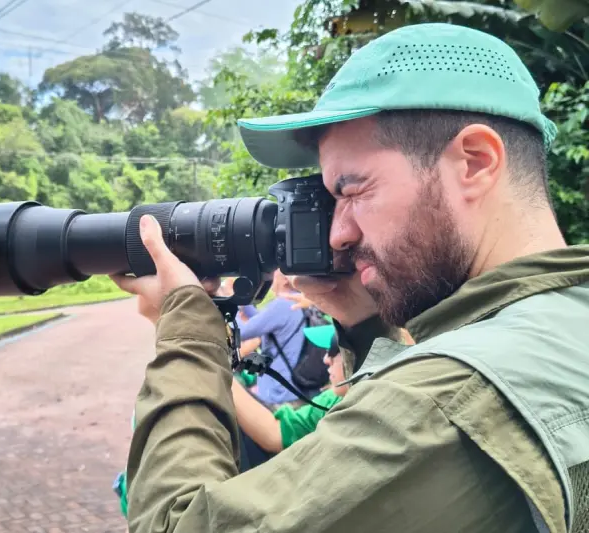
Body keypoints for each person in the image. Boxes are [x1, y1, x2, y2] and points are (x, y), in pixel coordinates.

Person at [110, 23, 589, 533]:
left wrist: (186, 328)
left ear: (474, 162)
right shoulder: (564, 321)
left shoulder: (445, 400)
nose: (339, 234)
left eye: (354, 191)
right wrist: (364, 322)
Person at [234, 324, 349, 471]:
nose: (326, 359)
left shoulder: (336, 399)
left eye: (333, 350)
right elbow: (278, 432)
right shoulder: (333, 396)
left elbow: (249, 331)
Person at [227, 270, 319, 408]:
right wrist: (241, 298)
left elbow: (241, 332)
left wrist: (230, 301)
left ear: (285, 279)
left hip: (280, 394)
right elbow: (261, 321)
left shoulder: (282, 304)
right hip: (299, 387)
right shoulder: (301, 302)